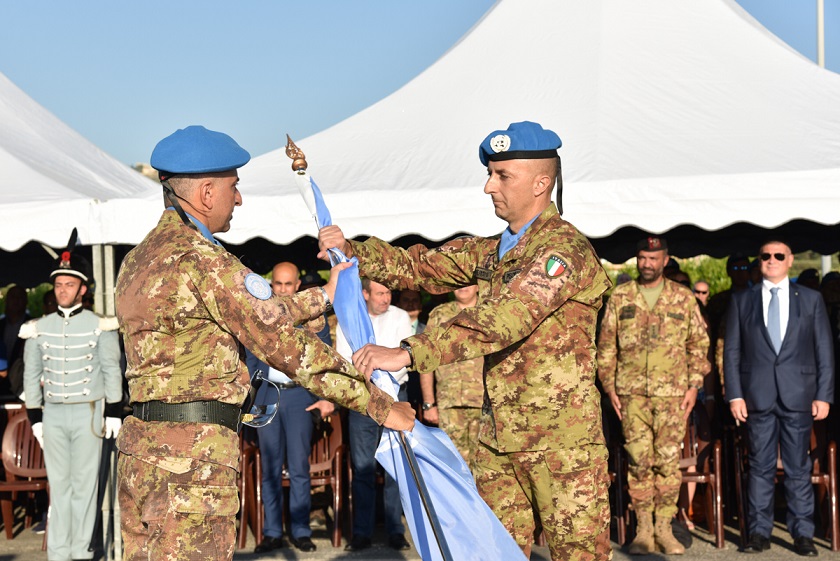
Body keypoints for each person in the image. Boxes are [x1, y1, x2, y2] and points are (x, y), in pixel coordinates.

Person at [114, 126, 414, 561]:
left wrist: (324, 296)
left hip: (141, 452)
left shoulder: (137, 260)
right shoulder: (204, 261)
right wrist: (384, 406)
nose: (239, 199)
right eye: (234, 187)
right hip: (190, 463)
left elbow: (252, 314)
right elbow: (293, 350)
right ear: (205, 193)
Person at [320, 121, 613, 560]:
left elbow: (502, 319)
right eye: (490, 174)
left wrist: (407, 351)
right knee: (489, 553)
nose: (488, 186)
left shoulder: (562, 251)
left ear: (541, 182)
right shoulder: (493, 251)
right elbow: (421, 266)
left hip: (561, 444)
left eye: (501, 176)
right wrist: (353, 251)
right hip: (498, 439)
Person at [597, 237, 710, 555]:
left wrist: (693, 385)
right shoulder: (621, 296)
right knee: (639, 462)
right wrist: (609, 386)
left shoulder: (682, 298)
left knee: (667, 463)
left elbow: (698, 344)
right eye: (642, 257)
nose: (646, 263)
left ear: (665, 260)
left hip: (672, 395)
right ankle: (644, 529)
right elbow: (606, 345)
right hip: (632, 395)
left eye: (653, 258)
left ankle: (665, 527)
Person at [724, 239, 834, 557]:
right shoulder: (742, 301)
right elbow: (731, 352)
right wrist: (735, 396)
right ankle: (759, 533)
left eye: (778, 256)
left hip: (798, 396)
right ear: (759, 261)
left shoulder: (811, 299)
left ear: (790, 260)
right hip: (756, 397)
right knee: (760, 466)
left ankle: (803, 534)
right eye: (765, 256)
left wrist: (824, 395)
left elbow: (824, 350)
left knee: (798, 467)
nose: (771, 260)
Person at [21, 247, 123, 561]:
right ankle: (58, 554)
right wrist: (35, 416)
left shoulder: (100, 324)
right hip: (52, 414)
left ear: (82, 289)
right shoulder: (39, 327)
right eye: (58, 285)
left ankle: (80, 552)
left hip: (88, 412)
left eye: (69, 284)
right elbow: (31, 373)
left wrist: (114, 410)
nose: (62, 290)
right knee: (59, 488)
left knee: (84, 488)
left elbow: (111, 368)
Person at [249, 262, 335, 554]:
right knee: (269, 468)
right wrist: (248, 397)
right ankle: (272, 532)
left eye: (288, 284)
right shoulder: (261, 313)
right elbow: (249, 355)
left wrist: (326, 398)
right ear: (271, 285)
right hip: (266, 396)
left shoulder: (312, 316)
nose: (283, 289)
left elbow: (326, 360)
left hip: (300, 397)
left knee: (299, 467)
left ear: (298, 285)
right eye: (278, 284)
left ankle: (300, 530)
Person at [336, 278, 413, 551]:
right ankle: (361, 533)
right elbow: (344, 360)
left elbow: (404, 359)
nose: (386, 297)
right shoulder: (347, 320)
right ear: (365, 294)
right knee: (363, 468)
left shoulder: (401, 317)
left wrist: (378, 372)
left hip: (395, 398)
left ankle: (395, 530)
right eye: (380, 293)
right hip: (362, 400)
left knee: (396, 468)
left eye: (388, 291)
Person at [419, 285, 484, 466]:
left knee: (486, 468)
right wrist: (428, 403)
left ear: (478, 286)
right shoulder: (439, 315)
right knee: (453, 465)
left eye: (468, 283)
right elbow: (427, 360)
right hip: (449, 404)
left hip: (485, 403)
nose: (463, 288)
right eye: (458, 283)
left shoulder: (489, 312)